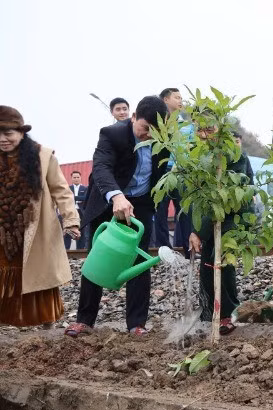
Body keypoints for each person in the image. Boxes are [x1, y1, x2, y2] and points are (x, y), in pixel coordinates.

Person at [66, 96, 170, 337]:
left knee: (139, 262)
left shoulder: (164, 141)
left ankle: (136, 324)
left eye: (155, 132)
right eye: (144, 129)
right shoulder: (112, 134)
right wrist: (117, 196)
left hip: (141, 203)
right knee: (97, 256)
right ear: (133, 118)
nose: (148, 136)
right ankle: (84, 320)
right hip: (109, 200)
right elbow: (101, 167)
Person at [0, 106, 80, 327]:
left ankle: (45, 320)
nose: (2, 140)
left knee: (38, 273)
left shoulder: (42, 157)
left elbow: (61, 191)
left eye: (8, 133)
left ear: (21, 133)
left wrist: (71, 220)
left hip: (34, 227)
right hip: (3, 229)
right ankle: (6, 319)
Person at [187, 124, 254, 335]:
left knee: (223, 263)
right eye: (199, 130)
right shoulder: (198, 155)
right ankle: (209, 314)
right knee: (208, 265)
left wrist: (199, 232)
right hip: (209, 219)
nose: (203, 135)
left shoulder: (234, 155)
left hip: (233, 218)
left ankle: (228, 314)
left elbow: (228, 199)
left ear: (220, 128)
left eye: (209, 130)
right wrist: (197, 229)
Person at [153, 87, 190, 250]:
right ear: (166, 99)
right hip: (162, 172)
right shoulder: (156, 122)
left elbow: (191, 148)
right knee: (160, 210)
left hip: (181, 172)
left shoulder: (187, 125)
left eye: (181, 98)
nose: (180, 100)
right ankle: (163, 248)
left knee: (185, 211)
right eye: (177, 97)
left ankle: (188, 247)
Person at [63, 171, 88, 250]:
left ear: (80, 178)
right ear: (71, 178)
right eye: (74, 177)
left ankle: (80, 250)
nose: (76, 179)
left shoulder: (85, 188)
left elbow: (85, 198)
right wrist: (78, 198)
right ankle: (66, 250)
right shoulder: (67, 188)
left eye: (78, 177)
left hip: (81, 212)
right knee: (68, 231)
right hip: (70, 212)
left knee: (82, 231)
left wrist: (73, 197)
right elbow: (65, 198)